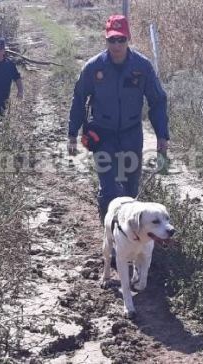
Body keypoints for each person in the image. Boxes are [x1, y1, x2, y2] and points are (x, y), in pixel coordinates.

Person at [67, 14, 170, 223]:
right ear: (106, 40)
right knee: (109, 189)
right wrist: (72, 134)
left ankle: (127, 231)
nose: (116, 45)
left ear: (128, 38)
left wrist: (162, 135)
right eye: (112, 39)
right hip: (102, 135)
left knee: (130, 190)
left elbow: (157, 101)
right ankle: (111, 235)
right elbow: (79, 99)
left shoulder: (142, 67)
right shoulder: (93, 67)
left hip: (131, 134)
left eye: (121, 39)